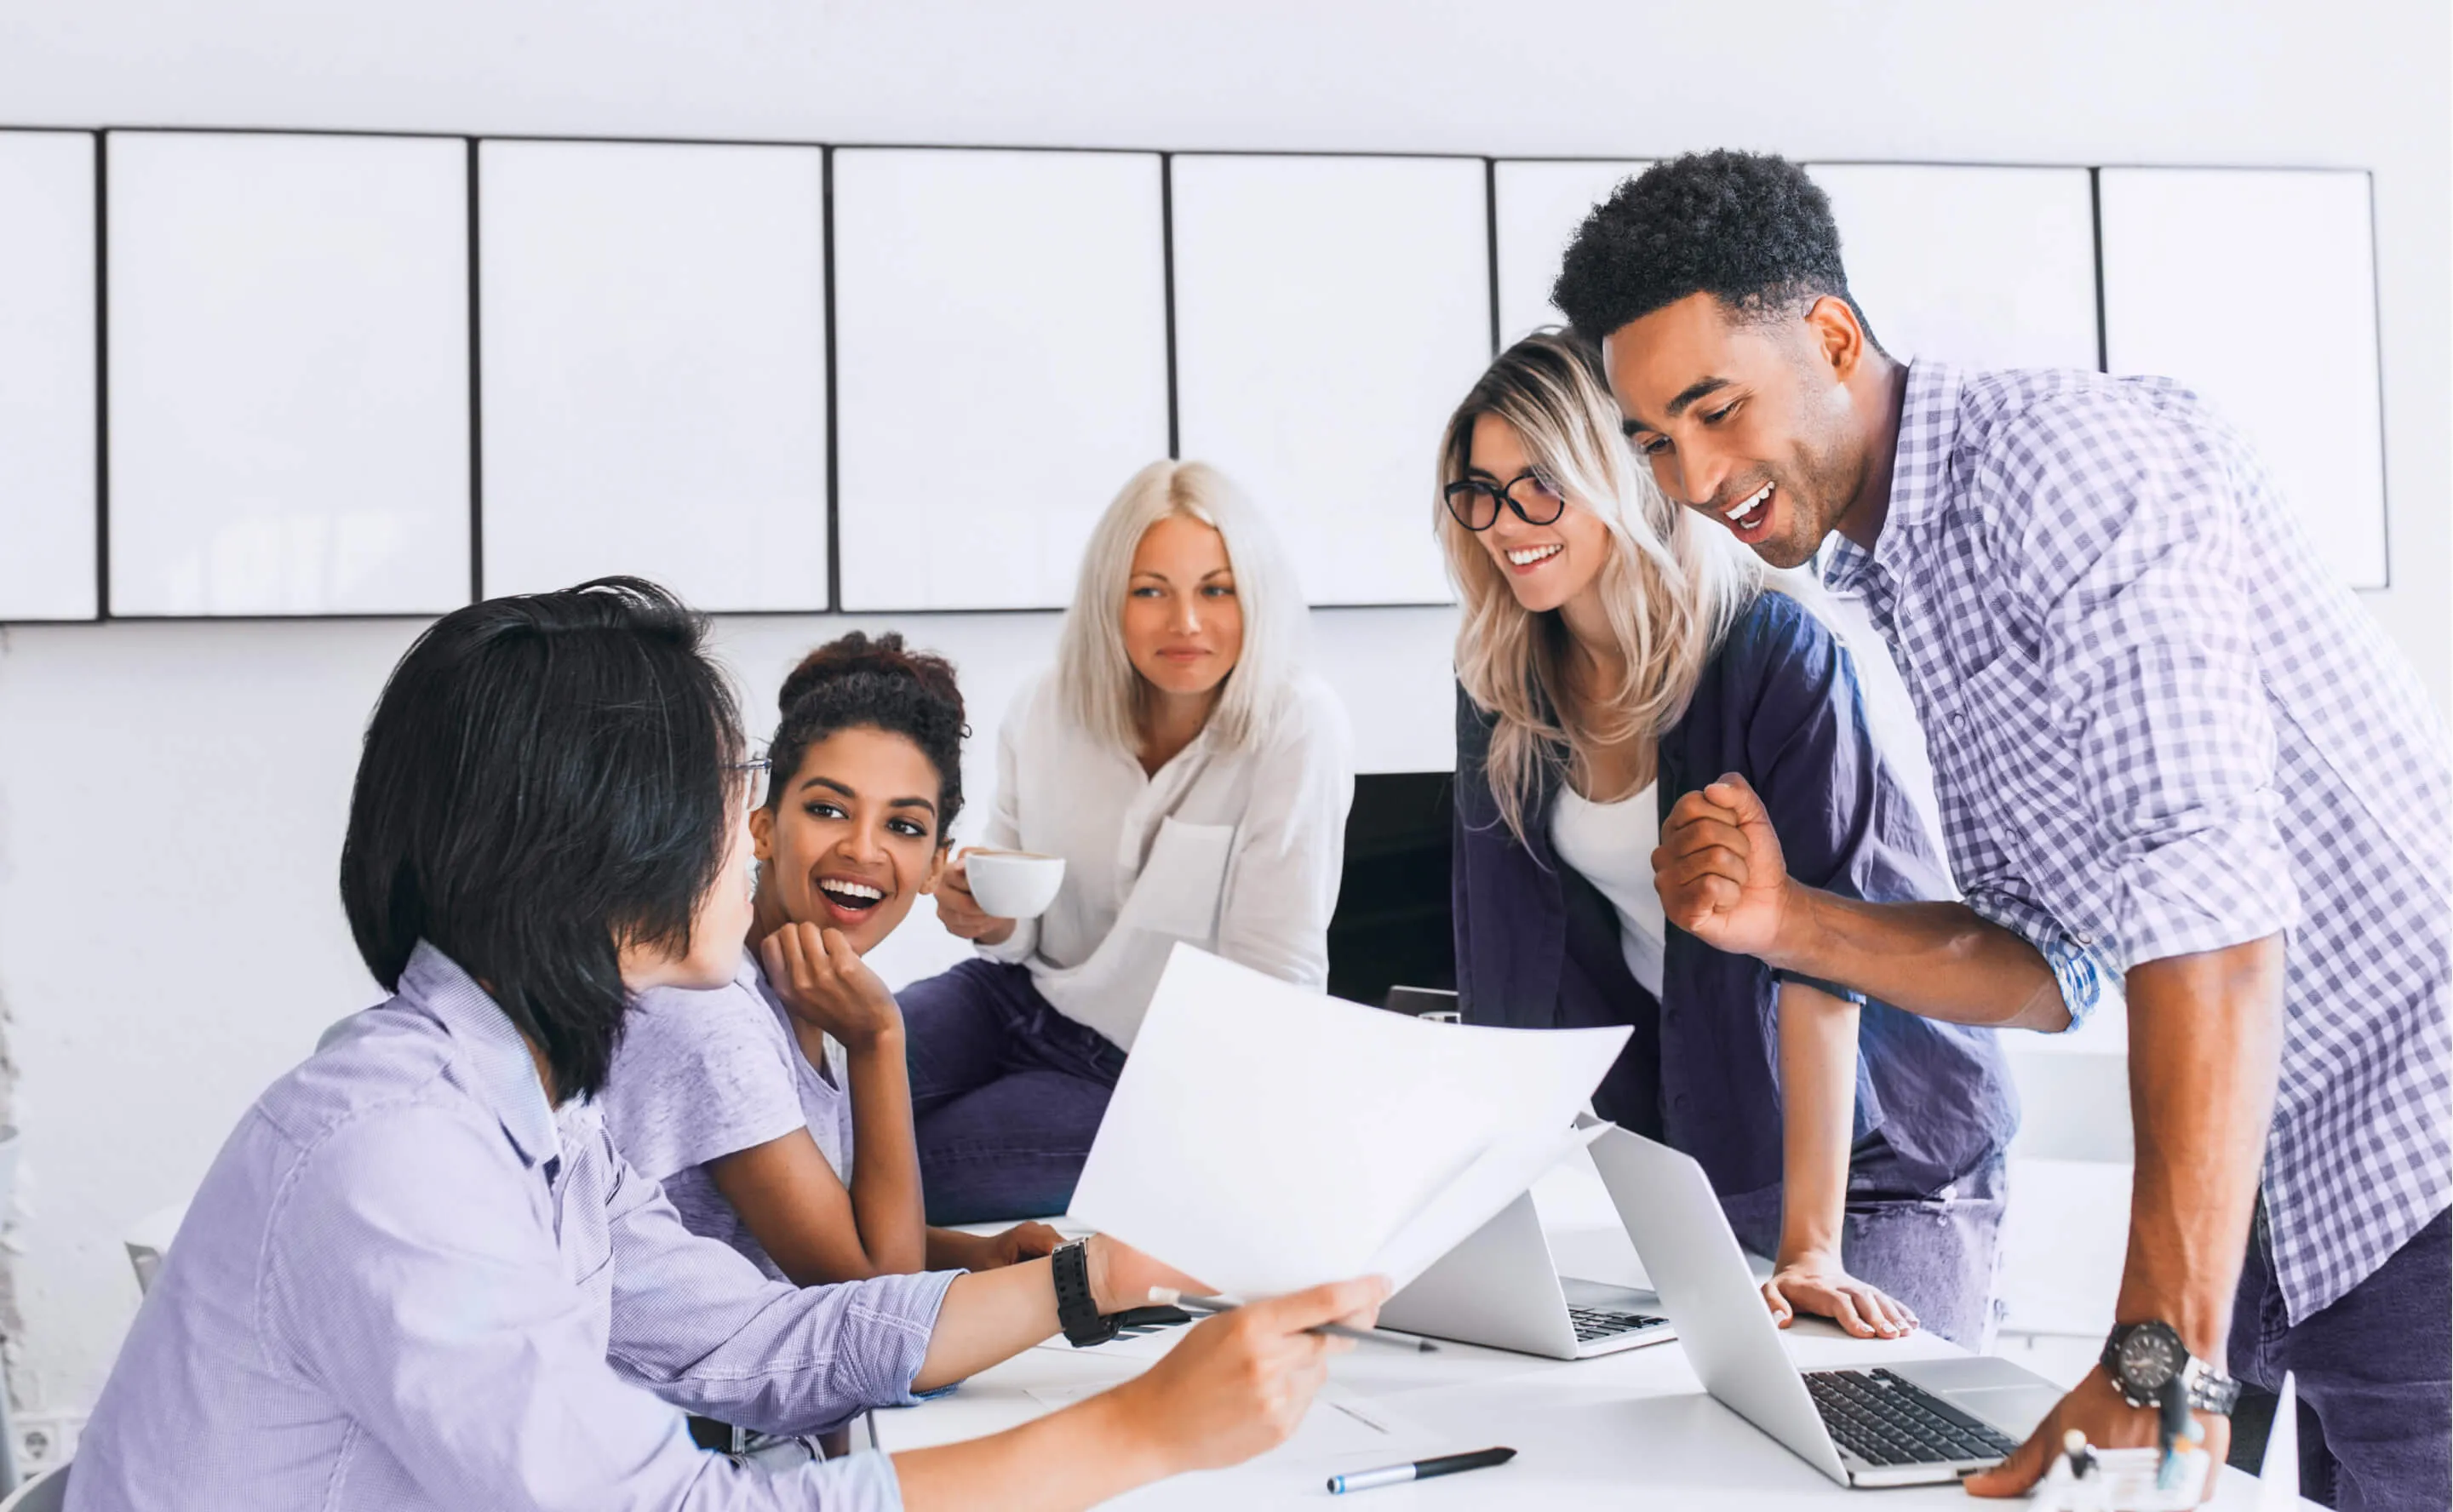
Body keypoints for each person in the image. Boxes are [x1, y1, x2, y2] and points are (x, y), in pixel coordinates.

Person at [68, 577, 1387, 1512]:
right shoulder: (399, 1157)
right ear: (603, 842)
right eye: (733, 790)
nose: (751, 835)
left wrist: (1088, 1282)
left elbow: (758, 1343)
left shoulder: (539, 1120)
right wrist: (1140, 1434)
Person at [1559, 152, 2449, 1509]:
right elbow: (2053, 966)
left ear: (1832, 339)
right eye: (1654, 444)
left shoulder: (2062, 464)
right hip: (2299, 1211)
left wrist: (2158, 1359)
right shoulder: (1900, 570)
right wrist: (1789, 922)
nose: (1694, 476)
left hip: (2416, 1153)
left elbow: (2208, 889)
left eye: (1715, 409)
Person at [1441, 329, 2018, 1349]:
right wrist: (1463, 1215)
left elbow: (1821, 958)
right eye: (1480, 492)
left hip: (1877, 1154)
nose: (1504, 524)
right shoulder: (1503, 687)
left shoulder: (1772, 651)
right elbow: (1499, 964)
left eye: (1540, 487)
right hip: (1706, 1141)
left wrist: (1812, 1248)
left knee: (1863, 1414)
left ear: (1621, 476)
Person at [906, 460, 1355, 1223]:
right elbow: (1018, 933)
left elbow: (1274, 983)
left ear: (1255, 595)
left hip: (1146, 1079)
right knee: (818, 1085)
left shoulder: (1297, 726)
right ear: (1108, 597)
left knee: (897, 1169)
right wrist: (988, 917)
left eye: (1216, 590)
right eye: (1150, 591)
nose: (1186, 623)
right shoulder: (1045, 706)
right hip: (1013, 999)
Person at [599, 632, 1060, 1297]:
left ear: (935, 865)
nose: (863, 850)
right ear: (762, 828)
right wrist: (878, 1039)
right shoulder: (715, 1018)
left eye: (903, 826)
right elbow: (876, 1301)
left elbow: (832, 1227)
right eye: (827, 810)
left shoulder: (811, 986)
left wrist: (976, 1256)